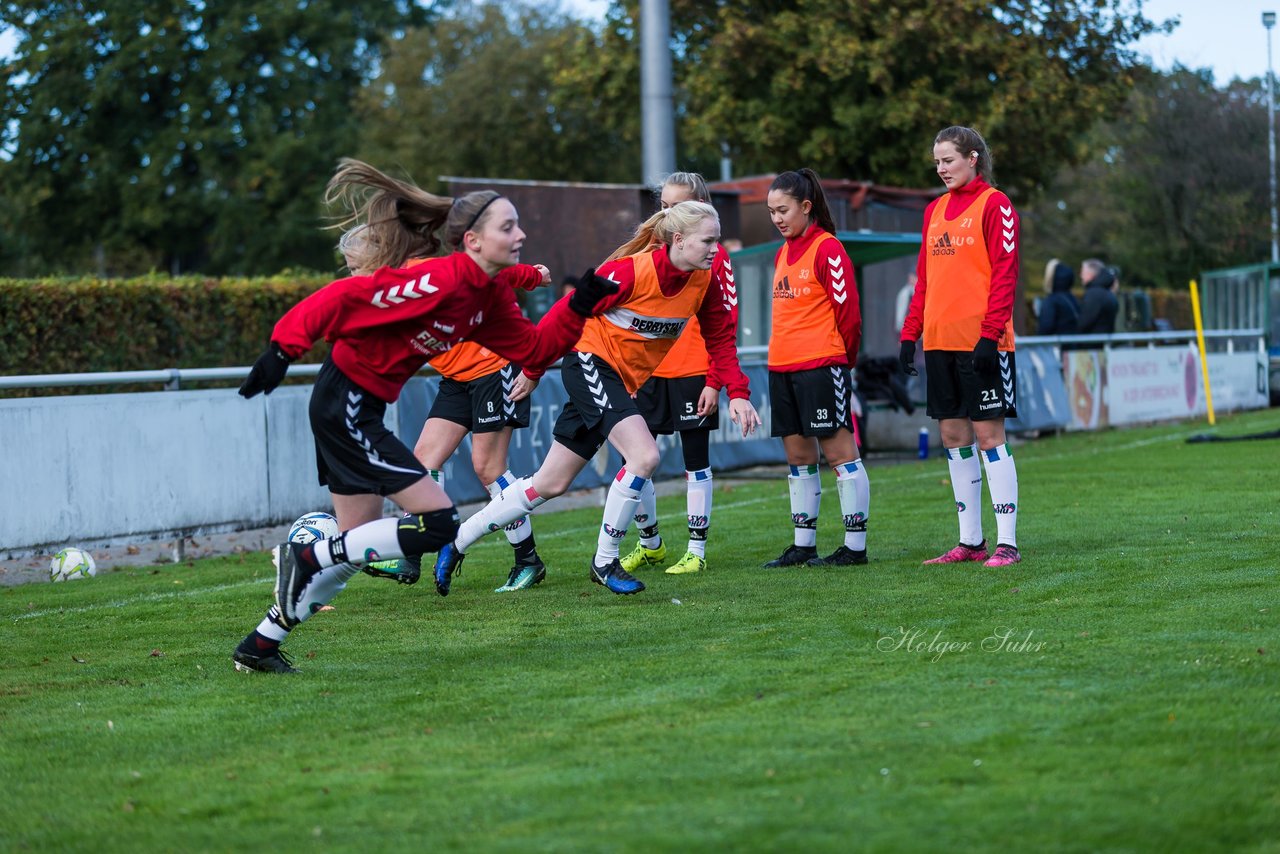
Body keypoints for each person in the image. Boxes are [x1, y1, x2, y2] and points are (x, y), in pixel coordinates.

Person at [230, 158, 617, 673]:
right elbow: (345, 295)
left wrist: (578, 304)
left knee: (351, 552)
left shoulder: (490, 295)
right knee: (436, 521)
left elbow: (534, 346)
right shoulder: (440, 280)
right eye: (509, 226)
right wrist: (282, 350)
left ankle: (259, 644)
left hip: (359, 407)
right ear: (473, 241)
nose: (521, 233)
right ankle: (306, 551)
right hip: (344, 404)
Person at [433, 201, 761, 596]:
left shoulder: (702, 280)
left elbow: (721, 337)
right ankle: (605, 561)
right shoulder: (628, 272)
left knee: (550, 483)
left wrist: (738, 393)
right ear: (678, 240)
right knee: (645, 456)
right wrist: (534, 369)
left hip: (618, 381)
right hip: (589, 361)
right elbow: (564, 311)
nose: (715, 249)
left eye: (717, 240)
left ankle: (458, 541)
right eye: (708, 240)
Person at [336, 192, 550, 595]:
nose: (352, 276)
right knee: (424, 460)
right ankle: (412, 554)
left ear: (376, 258)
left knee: (488, 468)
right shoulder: (382, 291)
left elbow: (491, 273)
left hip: (493, 369)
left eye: (354, 267)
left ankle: (529, 561)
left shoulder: (422, 271)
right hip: (455, 378)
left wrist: (534, 276)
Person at [899, 126, 1022, 568]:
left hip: (983, 342)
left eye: (948, 159)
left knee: (990, 435)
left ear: (973, 158)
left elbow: (1006, 274)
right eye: (937, 161)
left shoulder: (996, 204)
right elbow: (925, 281)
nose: (941, 168)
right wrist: (909, 335)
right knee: (953, 436)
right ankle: (970, 542)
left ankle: (1007, 542)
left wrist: (990, 335)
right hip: (940, 342)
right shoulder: (933, 211)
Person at [619, 172, 739, 576]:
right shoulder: (648, 256)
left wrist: (714, 381)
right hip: (648, 374)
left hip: (693, 371)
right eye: (664, 206)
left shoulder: (712, 255)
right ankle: (650, 543)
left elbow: (725, 326)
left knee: (695, 462)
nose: (667, 213)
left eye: (677, 206)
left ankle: (696, 550)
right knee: (636, 459)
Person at [762, 168, 871, 568]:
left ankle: (854, 547)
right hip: (782, 367)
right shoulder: (781, 253)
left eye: (783, 210)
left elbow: (850, 316)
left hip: (821, 366)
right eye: (771, 211)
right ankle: (803, 544)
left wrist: (844, 362)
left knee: (840, 454)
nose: (777, 219)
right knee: (797, 456)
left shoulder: (828, 249)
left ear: (806, 207)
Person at [1037, 259, 1079, 336]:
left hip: (1058, 345)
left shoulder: (1051, 301)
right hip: (1073, 344)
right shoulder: (1072, 299)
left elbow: (1045, 326)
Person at [1077, 259, 1119, 335]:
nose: (1080, 275)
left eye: (1083, 272)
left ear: (1090, 274)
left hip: (1092, 344)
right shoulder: (1107, 293)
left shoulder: (1094, 295)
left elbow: (1084, 322)